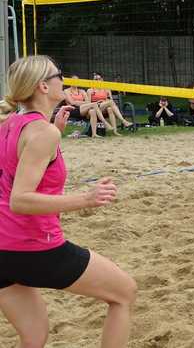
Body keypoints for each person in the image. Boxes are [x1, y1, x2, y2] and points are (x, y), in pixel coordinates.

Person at [0, 55, 136, 347]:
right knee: (124, 293)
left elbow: (15, 168)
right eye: (57, 74)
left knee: (33, 335)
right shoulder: (42, 133)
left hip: (2, 249)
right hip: (32, 247)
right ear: (43, 87)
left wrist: (54, 132)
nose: (63, 78)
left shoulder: (11, 123)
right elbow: (20, 200)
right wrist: (86, 198)